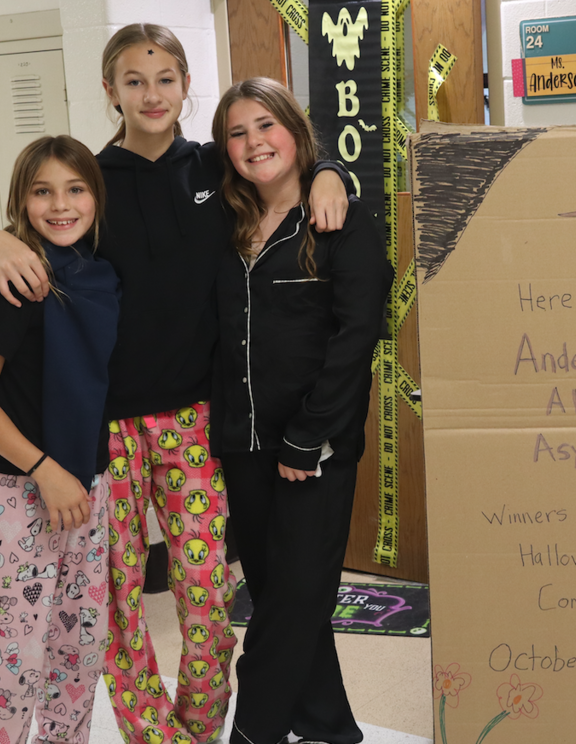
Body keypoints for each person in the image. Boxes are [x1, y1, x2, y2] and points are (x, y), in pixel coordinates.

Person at [0, 23, 352, 744]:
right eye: (134, 81)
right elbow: (33, 223)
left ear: (184, 86)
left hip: (195, 422)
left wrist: (333, 171)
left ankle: (198, 733)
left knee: (207, 603)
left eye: (165, 79)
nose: (152, 94)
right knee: (114, 610)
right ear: (109, 90)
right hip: (102, 433)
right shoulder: (93, 181)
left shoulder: (215, 167)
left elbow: (287, 165)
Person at [210, 77, 393, 744]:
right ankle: (330, 730)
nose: (253, 142)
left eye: (266, 125)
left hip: (311, 449)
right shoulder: (222, 222)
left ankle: (252, 732)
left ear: (294, 130)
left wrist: (308, 435)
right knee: (285, 600)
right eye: (237, 131)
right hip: (242, 445)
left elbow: (356, 341)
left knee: (293, 603)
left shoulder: (339, 223)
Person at [0, 135, 119, 744]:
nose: (61, 204)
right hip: (18, 491)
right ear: (21, 202)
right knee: (12, 660)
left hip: (86, 487)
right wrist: (45, 469)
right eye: (42, 191)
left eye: (75, 189)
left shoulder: (100, 274)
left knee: (77, 655)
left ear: (97, 197)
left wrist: (74, 475)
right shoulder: (14, 282)